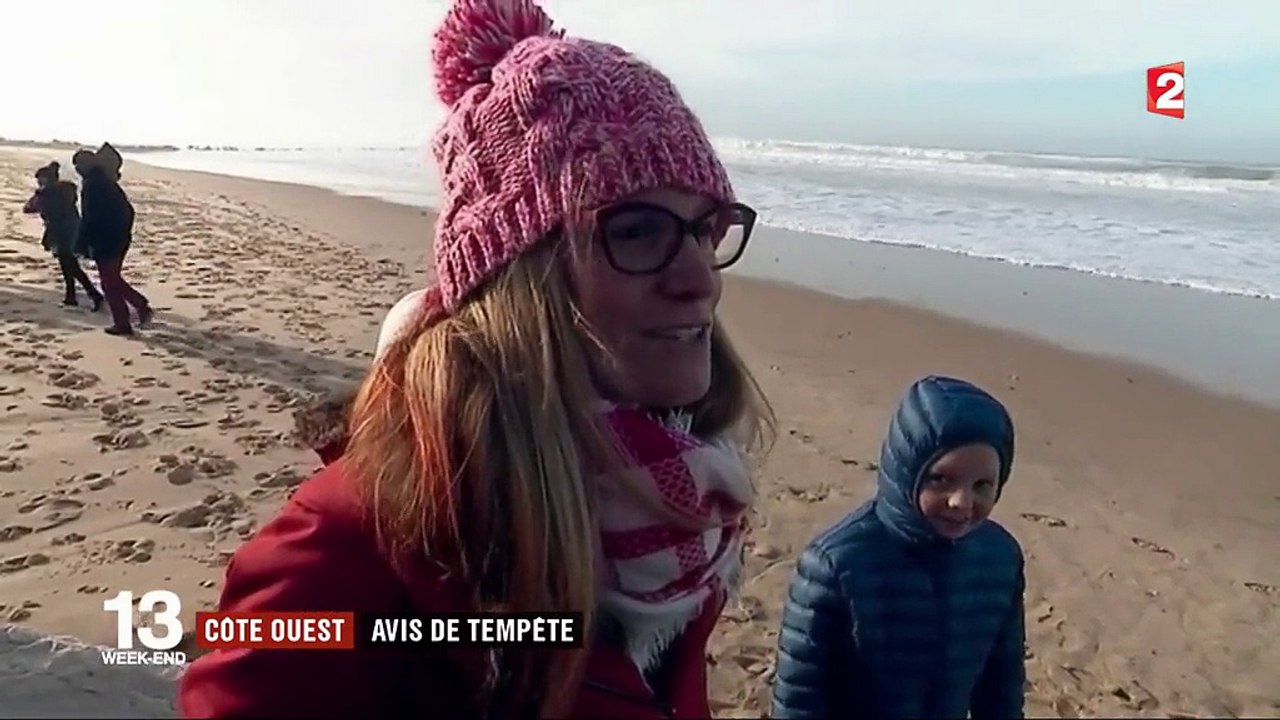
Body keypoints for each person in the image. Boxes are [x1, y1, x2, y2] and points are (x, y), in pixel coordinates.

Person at [177, 0, 775, 717]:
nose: (700, 277)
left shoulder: (684, 504)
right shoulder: (351, 547)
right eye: (640, 230)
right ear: (518, 277)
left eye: (706, 228)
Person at [771, 375, 1026, 720]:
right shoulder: (836, 563)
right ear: (907, 471)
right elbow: (799, 696)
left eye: (983, 485)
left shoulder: (1000, 560)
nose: (961, 501)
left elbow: (1002, 687)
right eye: (941, 479)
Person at [73, 143, 153, 335]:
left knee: (109, 284)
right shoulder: (104, 181)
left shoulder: (93, 185)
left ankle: (124, 323)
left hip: (107, 240)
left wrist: (83, 243)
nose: (77, 169)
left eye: (78, 165)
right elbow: (126, 211)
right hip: (117, 238)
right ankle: (140, 306)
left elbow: (90, 218)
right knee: (112, 279)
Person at [21, 161, 103, 310]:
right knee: (67, 262)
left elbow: (28, 208)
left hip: (60, 229)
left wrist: (38, 195)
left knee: (68, 262)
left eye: (40, 179)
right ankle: (72, 295)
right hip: (72, 226)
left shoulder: (47, 194)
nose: (38, 182)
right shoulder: (66, 189)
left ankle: (92, 294)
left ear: (46, 179)